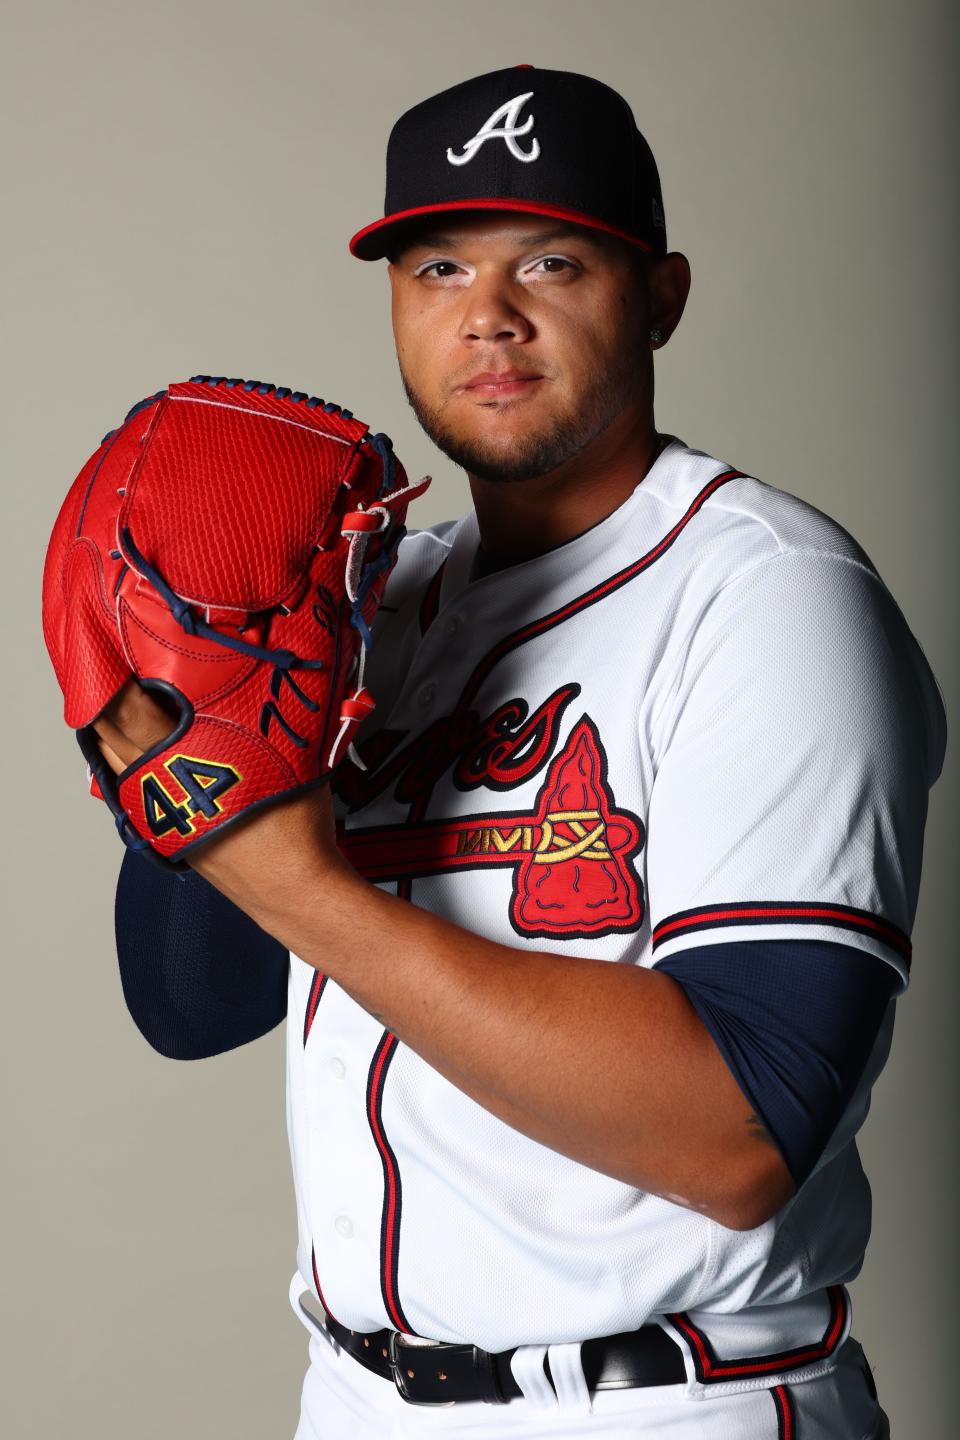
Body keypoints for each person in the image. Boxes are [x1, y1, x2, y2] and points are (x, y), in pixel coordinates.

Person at [96, 66, 945, 1437]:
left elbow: (742, 1134)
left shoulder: (771, 597)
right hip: (359, 1401)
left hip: (664, 1406)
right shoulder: (373, 601)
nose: (487, 314)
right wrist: (206, 742)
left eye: (551, 261)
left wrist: (308, 883)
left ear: (659, 297)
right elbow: (192, 1009)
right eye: (438, 266)